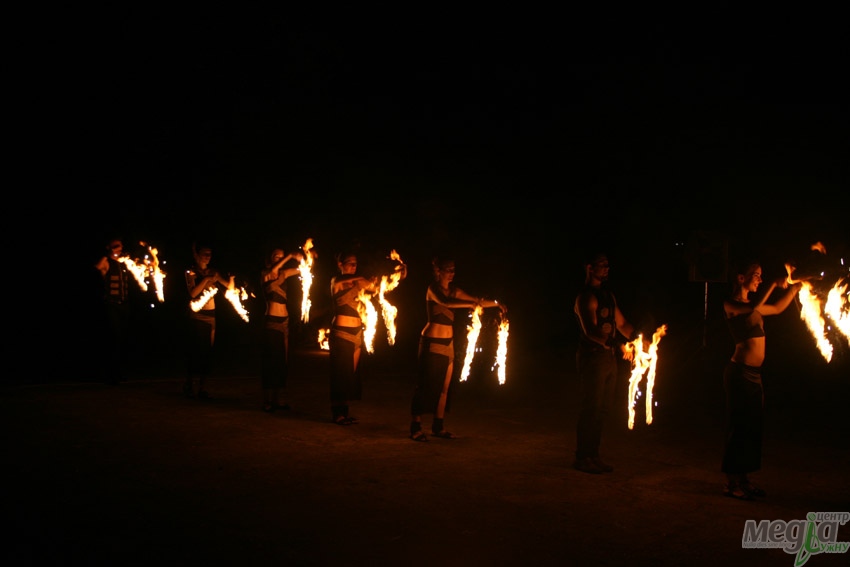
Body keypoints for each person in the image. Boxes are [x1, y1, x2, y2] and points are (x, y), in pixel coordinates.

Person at [720, 260, 803, 500]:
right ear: (741, 278)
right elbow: (755, 306)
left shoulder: (752, 307)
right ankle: (731, 483)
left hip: (755, 376)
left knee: (751, 429)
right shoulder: (731, 304)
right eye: (755, 275)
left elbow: (776, 308)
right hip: (739, 374)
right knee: (738, 428)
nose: (760, 279)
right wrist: (774, 284)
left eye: (761, 276)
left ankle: (744, 479)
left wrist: (796, 288)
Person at [409, 255, 506, 442]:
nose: (452, 273)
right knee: (425, 385)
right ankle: (415, 427)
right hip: (432, 341)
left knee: (445, 387)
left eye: (454, 270)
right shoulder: (432, 289)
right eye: (448, 270)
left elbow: (477, 300)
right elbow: (446, 302)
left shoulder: (455, 291)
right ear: (438, 271)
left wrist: (496, 303)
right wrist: (471, 304)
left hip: (449, 343)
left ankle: (438, 426)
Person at [572, 252, 636, 473]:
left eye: (608, 265)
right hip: (593, 358)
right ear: (590, 268)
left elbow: (622, 324)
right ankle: (582, 457)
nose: (607, 268)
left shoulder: (608, 295)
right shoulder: (585, 297)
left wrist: (638, 339)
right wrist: (617, 344)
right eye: (602, 265)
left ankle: (593, 455)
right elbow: (590, 330)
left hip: (608, 359)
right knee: (591, 408)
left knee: (602, 409)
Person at [328, 249, 382, 425]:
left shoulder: (358, 283)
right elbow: (351, 281)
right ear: (340, 264)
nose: (353, 266)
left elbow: (376, 288)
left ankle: (344, 411)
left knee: (350, 374)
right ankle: (337, 413)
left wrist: (390, 278)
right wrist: (363, 280)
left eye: (355, 263)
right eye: (350, 263)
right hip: (341, 333)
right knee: (340, 373)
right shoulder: (336, 281)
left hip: (357, 333)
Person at [183, 242, 232, 400]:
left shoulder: (213, 272)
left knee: (207, 352)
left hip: (211, 316)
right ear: (197, 255)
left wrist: (230, 279)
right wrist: (206, 280)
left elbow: (228, 287)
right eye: (204, 254)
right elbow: (193, 293)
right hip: (197, 315)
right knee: (195, 350)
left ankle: (202, 386)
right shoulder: (191, 272)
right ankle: (189, 384)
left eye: (210, 254)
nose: (207, 257)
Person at [259, 247, 304, 412]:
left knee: (282, 362)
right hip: (271, 321)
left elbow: (301, 269)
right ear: (270, 259)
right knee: (270, 361)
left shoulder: (284, 274)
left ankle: (279, 400)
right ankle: (267, 400)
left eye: (282, 257)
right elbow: (274, 271)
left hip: (285, 321)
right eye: (276, 257)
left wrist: (307, 260)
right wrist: (290, 256)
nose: (280, 260)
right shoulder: (266, 274)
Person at [94, 236, 134, 385]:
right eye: (116, 245)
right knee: (114, 338)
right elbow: (97, 267)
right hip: (112, 305)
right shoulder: (106, 262)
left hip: (124, 305)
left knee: (123, 338)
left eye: (120, 246)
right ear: (110, 247)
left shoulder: (124, 263)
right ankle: (110, 373)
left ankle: (120, 372)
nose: (120, 248)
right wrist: (108, 254)